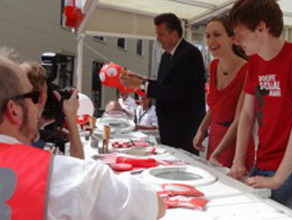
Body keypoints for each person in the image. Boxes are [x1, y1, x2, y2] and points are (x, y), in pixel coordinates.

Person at [0, 51, 166, 220]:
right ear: (14, 110)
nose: (39, 104)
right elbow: (155, 205)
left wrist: (36, 124)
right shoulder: (59, 176)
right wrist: (70, 119)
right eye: (34, 97)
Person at [227, 0, 292, 215]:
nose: (237, 42)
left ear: (261, 27)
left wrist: (278, 179)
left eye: (240, 35)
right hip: (263, 164)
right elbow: (247, 115)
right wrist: (238, 160)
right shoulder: (255, 63)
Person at [122, 13, 205, 155]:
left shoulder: (190, 55)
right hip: (168, 126)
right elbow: (163, 85)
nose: (157, 39)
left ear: (174, 34)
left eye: (161, 34)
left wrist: (142, 85)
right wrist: (142, 80)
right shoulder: (166, 56)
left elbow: (176, 91)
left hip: (184, 128)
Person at [193, 16, 255, 170]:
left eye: (217, 35)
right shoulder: (214, 66)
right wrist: (201, 129)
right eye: (208, 36)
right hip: (215, 135)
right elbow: (215, 107)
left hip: (236, 140)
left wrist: (218, 151)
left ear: (231, 39)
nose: (211, 41)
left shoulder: (247, 70)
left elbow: (240, 117)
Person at [20, 61, 84, 159]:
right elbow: (79, 167)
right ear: (41, 97)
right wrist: (71, 118)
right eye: (47, 91)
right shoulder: (39, 152)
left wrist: (39, 123)